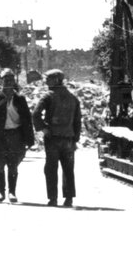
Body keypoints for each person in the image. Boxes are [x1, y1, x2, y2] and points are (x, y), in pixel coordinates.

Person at [0, 69, 34, 203]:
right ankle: (0, 192)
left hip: (15, 136)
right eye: (5, 79)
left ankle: (12, 193)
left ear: (14, 81)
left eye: (10, 79)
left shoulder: (20, 98)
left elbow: (27, 119)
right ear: (1, 81)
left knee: (13, 165)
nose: (8, 82)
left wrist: (30, 139)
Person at [33, 69, 81, 207]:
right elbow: (78, 121)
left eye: (47, 79)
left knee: (51, 169)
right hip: (68, 139)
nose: (45, 81)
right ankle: (69, 199)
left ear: (55, 80)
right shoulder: (73, 98)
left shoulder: (48, 96)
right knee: (68, 170)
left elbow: (35, 114)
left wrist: (43, 128)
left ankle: (53, 199)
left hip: (53, 138)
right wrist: (75, 139)